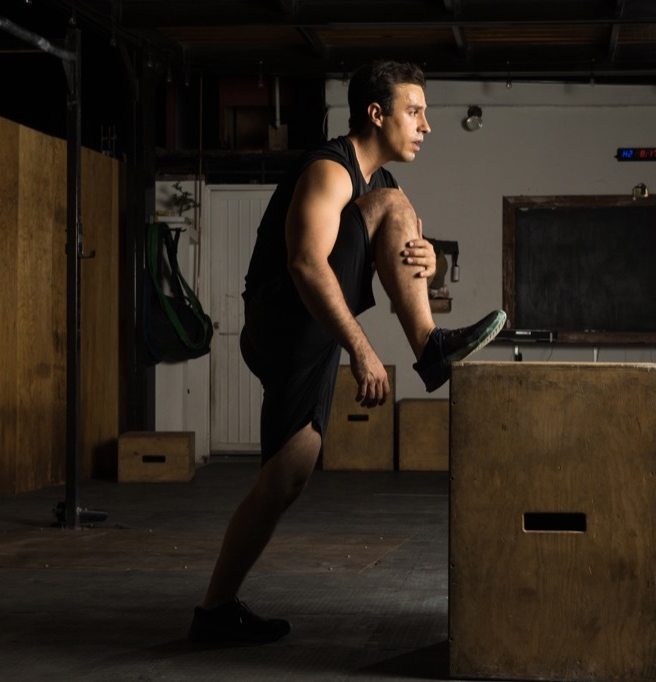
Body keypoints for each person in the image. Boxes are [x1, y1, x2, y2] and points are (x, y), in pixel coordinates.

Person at [189, 59, 505, 645]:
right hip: (282, 318)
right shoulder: (329, 171)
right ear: (375, 113)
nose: (426, 125)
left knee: (285, 481)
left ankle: (214, 610)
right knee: (394, 209)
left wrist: (427, 263)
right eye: (414, 112)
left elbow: (396, 265)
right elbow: (307, 263)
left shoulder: (382, 187)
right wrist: (361, 348)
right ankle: (431, 350)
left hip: (306, 340)